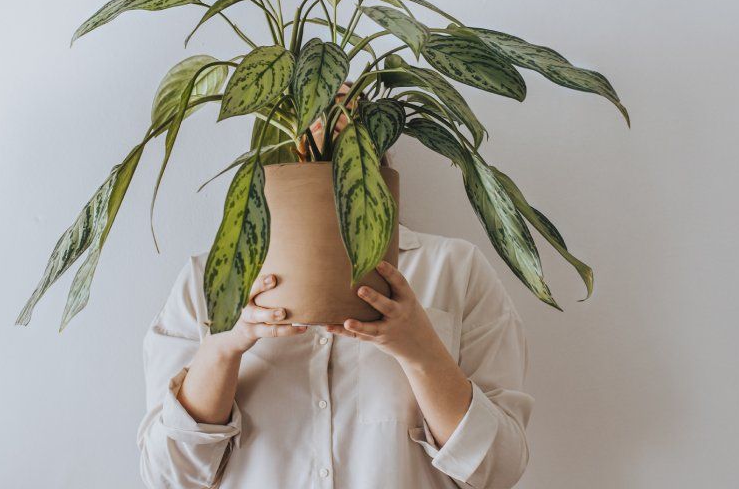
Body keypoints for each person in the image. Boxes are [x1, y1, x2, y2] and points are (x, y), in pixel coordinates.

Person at [137, 87, 533, 489]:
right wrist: (223, 348)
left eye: (344, 101)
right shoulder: (212, 278)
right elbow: (169, 476)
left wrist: (422, 351)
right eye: (308, 101)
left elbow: (498, 470)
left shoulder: (453, 268)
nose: (326, 118)